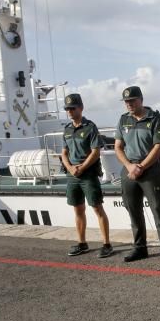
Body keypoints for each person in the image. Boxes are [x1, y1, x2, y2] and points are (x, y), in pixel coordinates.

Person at [114, 86, 160, 265]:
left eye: (132, 100)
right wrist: (129, 166)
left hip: (150, 170)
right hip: (129, 169)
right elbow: (118, 146)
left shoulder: (155, 118)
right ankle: (140, 248)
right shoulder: (123, 120)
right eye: (126, 102)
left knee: (158, 209)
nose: (129, 104)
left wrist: (141, 166)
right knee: (133, 210)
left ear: (141, 99)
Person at [60, 93, 113, 258]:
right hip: (72, 175)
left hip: (88, 173)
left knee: (97, 208)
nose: (69, 111)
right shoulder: (67, 129)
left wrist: (81, 167)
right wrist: (70, 168)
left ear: (80, 108)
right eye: (67, 108)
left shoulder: (90, 127)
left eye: (72, 108)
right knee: (78, 209)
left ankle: (107, 244)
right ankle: (82, 243)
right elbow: (64, 152)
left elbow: (96, 152)